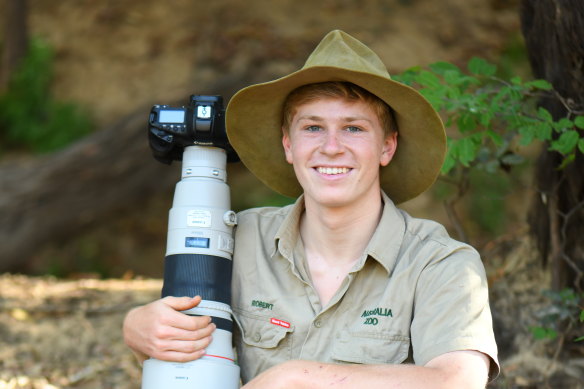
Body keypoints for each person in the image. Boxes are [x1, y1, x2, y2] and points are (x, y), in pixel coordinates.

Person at [123, 30, 499, 388]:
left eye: (353, 128)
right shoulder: (240, 241)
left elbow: (455, 381)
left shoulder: (439, 263)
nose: (331, 147)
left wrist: (296, 379)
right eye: (313, 127)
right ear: (288, 145)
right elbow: (185, 353)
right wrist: (139, 329)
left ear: (387, 147)